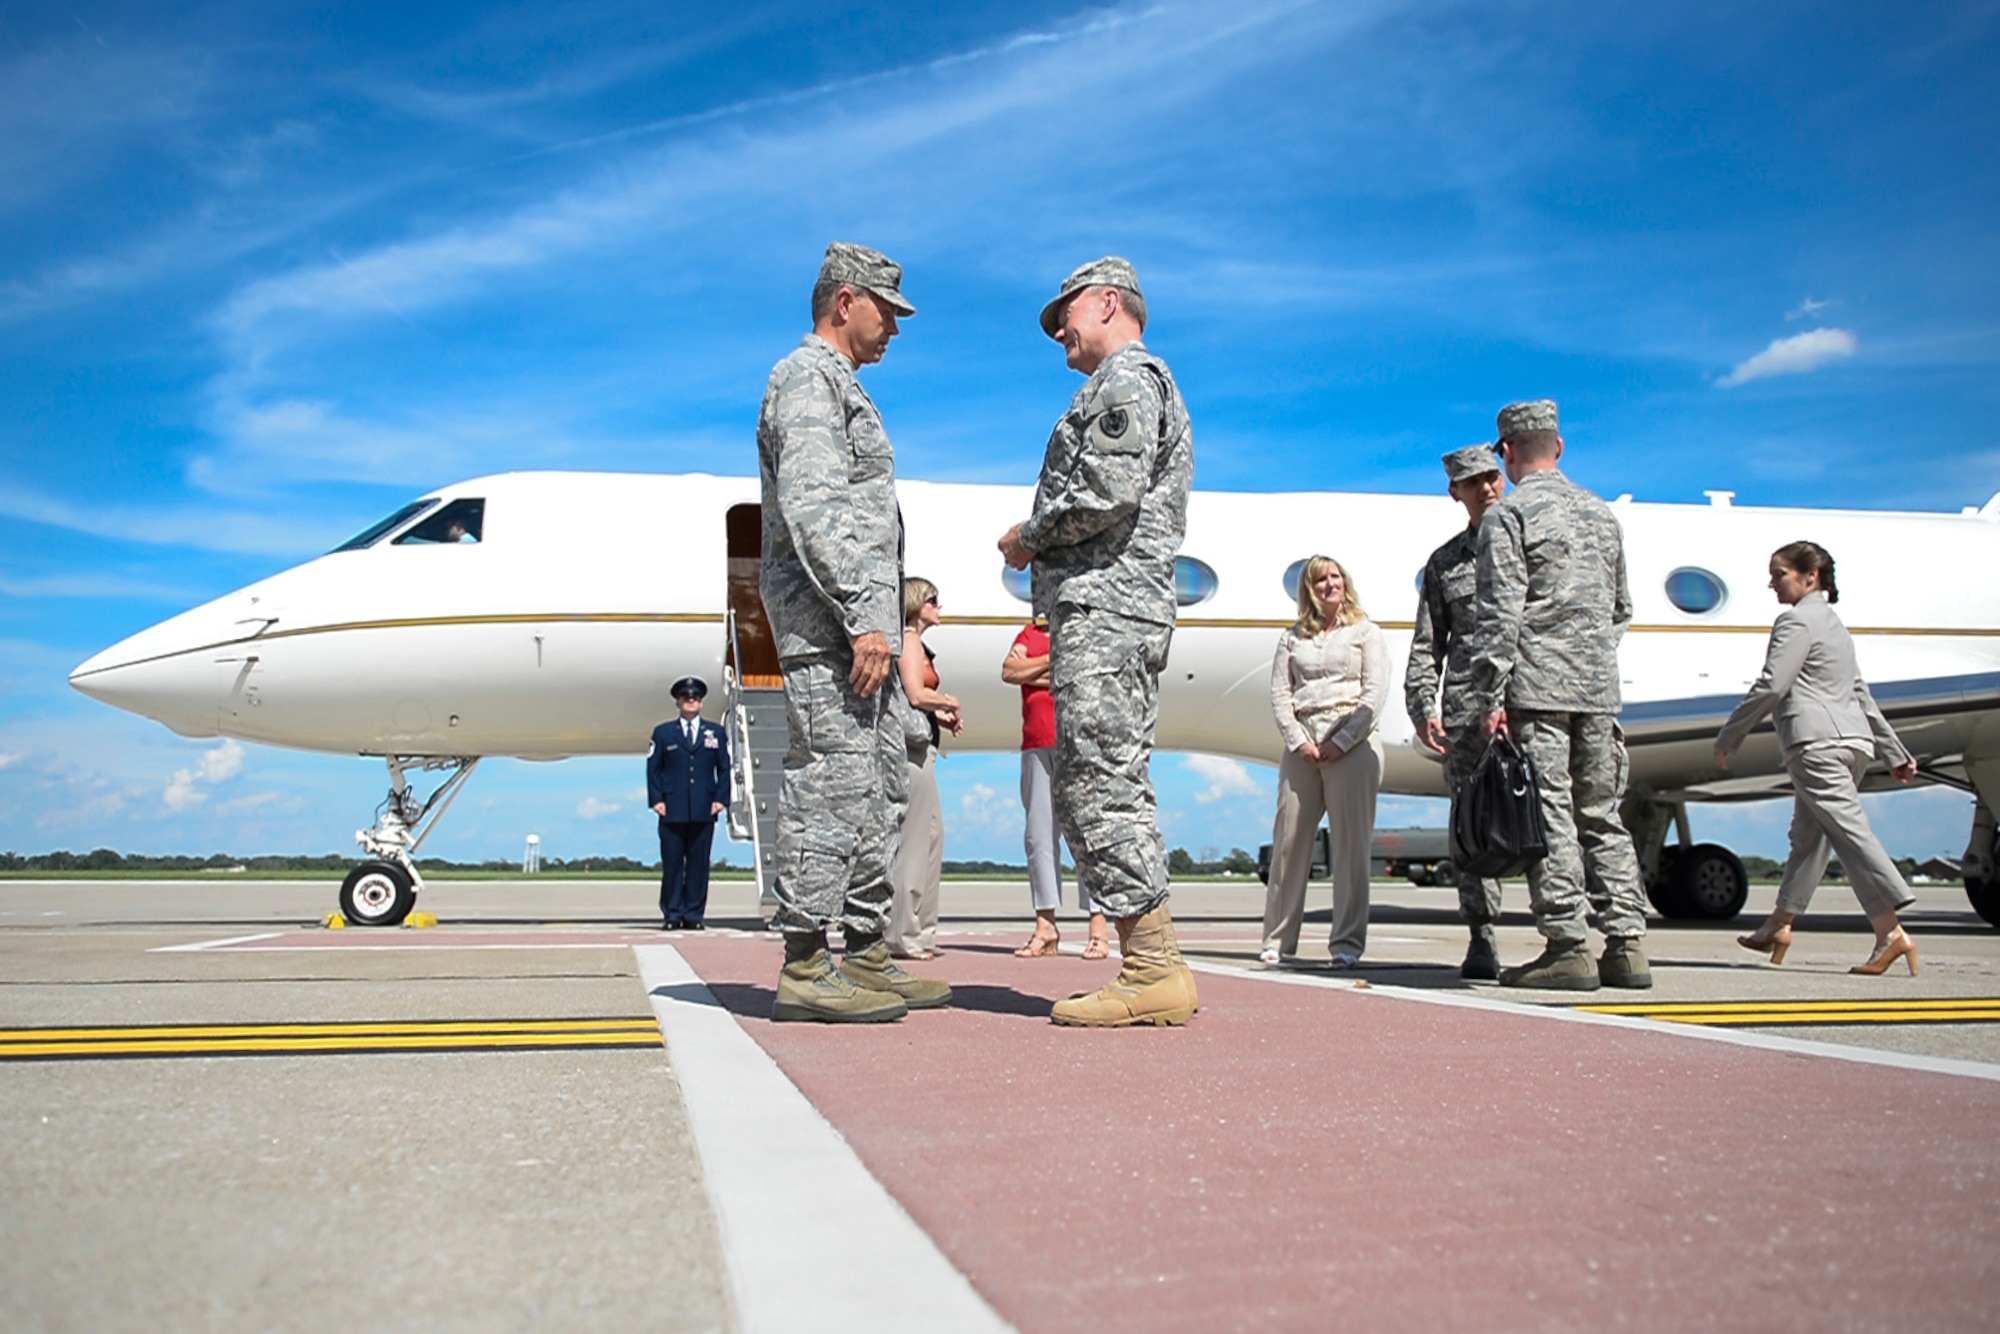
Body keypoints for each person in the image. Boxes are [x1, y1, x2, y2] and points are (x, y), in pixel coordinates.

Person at [999, 256, 1197, 1027]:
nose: (1059, 334)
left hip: (1109, 610)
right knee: (1099, 779)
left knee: (1102, 783)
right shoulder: (1128, 383)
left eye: (1066, 315)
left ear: (1109, 301)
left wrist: (1029, 535)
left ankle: (1152, 968)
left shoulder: (1125, 380)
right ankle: (1151, 961)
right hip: (1108, 610)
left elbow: (1107, 494)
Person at [757, 241, 951, 1023]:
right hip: (831, 629)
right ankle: (805, 963)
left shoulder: (842, 386)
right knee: (827, 788)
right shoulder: (805, 378)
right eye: (887, 312)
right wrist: (866, 618)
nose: (896, 329)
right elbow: (816, 507)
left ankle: (867, 956)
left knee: (875, 797)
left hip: (856, 630)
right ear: (846, 302)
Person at [1469, 399, 1651, 991]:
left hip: (1538, 691)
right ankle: (1626, 947)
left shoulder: (1510, 516)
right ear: (1560, 447)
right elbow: (1621, 609)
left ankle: (1567, 945)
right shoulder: (1602, 516)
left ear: (1507, 452)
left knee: (1549, 814)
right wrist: (1591, 657)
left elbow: (1500, 615)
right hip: (1599, 693)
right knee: (1602, 814)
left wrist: (1489, 695)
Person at [1715, 542, 1923, 975]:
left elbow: (1773, 685)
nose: (1771, 582)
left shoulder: (1794, 622)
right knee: (1808, 840)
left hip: (1816, 746)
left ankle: (1892, 930)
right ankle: (1780, 922)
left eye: (1779, 573)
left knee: (1849, 833)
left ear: (1811, 576)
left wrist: (1730, 735)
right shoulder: (1835, 626)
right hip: (1853, 745)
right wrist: (1894, 752)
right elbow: (1860, 693)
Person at [1406, 444, 1509, 979]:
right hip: (1468, 713)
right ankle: (1483, 935)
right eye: (1475, 482)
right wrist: (1424, 706)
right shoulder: (1445, 564)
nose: (1488, 488)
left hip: (1534, 705)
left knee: (1553, 820)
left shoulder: (1537, 548)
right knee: (1473, 827)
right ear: (1456, 491)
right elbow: (1428, 646)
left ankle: (1568, 938)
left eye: (1494, 477)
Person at [1261, 556, 1387, 968]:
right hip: (1304, 744)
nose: (1328, 585)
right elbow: (1281, 694)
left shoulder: (1366, 632)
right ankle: (1278, 940)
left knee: (1351, 848)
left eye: (1334, 577)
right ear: (1308, 590)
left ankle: (1346, 944)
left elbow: (1374, 693)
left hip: (1353, 743)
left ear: (1344, 582)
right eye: (1319, 580)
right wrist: (1299, 741)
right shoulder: (1292, 638)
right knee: (1289, 842)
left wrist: (1344, 740)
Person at [1003, 617, 1109, 959]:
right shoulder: (1029, 632)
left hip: (1077, 742)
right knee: (1038, 836)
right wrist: (1054, 663)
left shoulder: (1082, 625)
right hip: (1035, 743)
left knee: (1086, 833)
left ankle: (1098, 924)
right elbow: (1009, 671)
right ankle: (1045, 925)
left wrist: (1031, 671)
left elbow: (1085, 675)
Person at [889, 577, 961, 959]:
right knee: (917, 842)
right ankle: (904, 934)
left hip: (924, 746)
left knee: (932, 838)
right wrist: (949, 701)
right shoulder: (909, 640)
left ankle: (921, 931)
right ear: (917, 603)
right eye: (933, 599)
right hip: (912, 751)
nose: (939, 606)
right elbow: (916, 694)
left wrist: (942, 715)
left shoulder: (914, 642)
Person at [646, 676, 730, 930]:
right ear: (678, 702)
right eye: (686, 698)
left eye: (695, 698)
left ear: (701, 703)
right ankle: (672, 914)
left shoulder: (715, 732)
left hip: (704, 808)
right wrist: (657, 800)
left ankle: (693, 915)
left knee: (699, 865)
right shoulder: (663, 733)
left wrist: (720, 799)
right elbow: (653, 769)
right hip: (672, 808)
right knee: (672, 864)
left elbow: (724, 768)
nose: (690, 701)